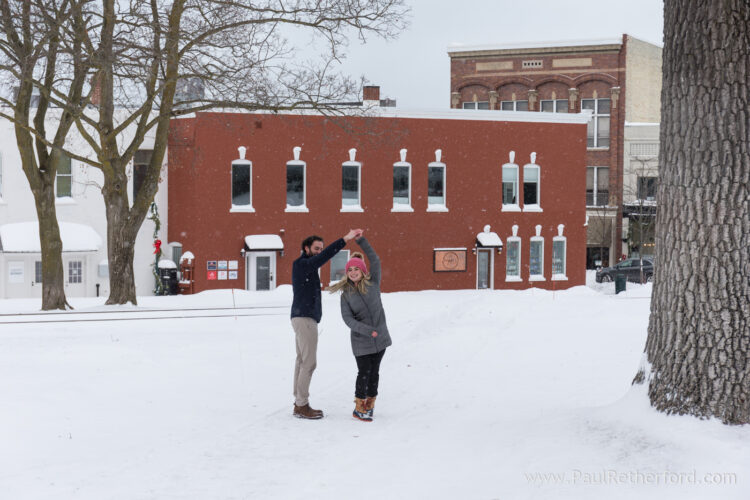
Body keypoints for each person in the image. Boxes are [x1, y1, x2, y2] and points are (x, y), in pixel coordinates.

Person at [291, 229, 362, 419]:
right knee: (309, 363)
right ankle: (301, 404)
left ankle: (299, 401)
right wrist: (345, 239)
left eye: (321, 248)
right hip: (304, 318)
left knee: (301, 360)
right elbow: (324, 257)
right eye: (316, 249)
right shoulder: (303, 264)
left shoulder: (307, 266)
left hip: (303, 317)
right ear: (306, 248)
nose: (319, 252)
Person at [329, 234, 392, 422]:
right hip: (361, 341)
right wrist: (366, 330)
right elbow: (348, 320)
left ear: (363, 271)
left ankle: (369, 405)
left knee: (375, 373)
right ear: (347, 273)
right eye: (350, 270)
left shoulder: (373, 283)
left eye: (357, 269)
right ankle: (359, 407)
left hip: (380, 338)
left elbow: (375, 259)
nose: (354, 272)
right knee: (364, 372)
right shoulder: (345, 294)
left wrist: (362, 241)